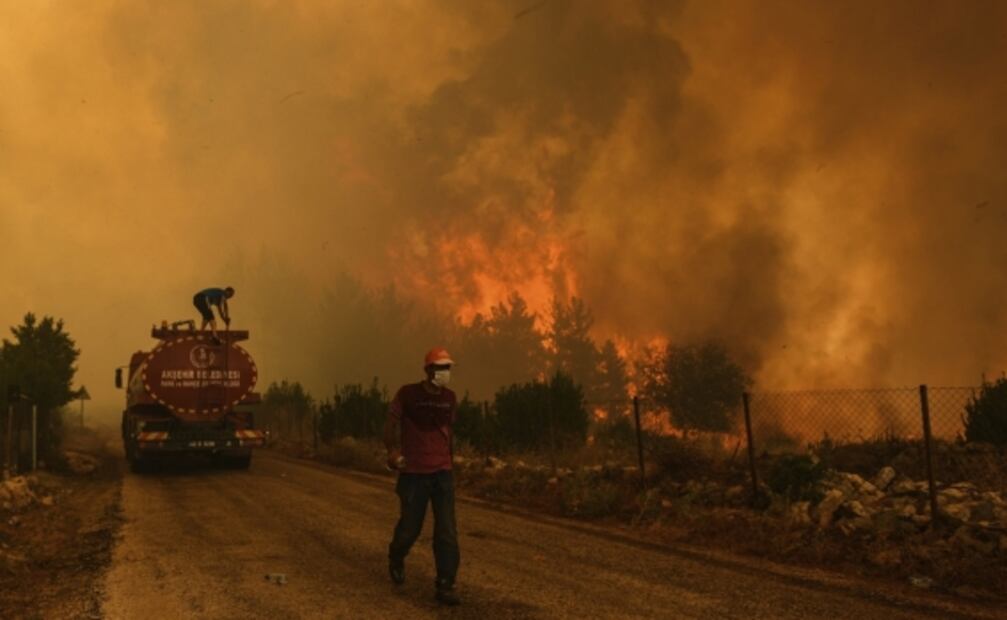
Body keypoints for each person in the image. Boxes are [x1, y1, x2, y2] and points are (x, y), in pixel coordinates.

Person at [384, 347, 461, 606]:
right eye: (440, 368)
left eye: (447, 367)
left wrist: (451, 462)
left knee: (447, 531)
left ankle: (446, 584)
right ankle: (396, 556)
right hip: (414, 474)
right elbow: (391, 424)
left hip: (442, 473)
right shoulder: (408, 394)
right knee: (410, 529)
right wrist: (392, 452)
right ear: (428, 370)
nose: (445, 372)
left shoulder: (450, 398)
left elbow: (449, 432)